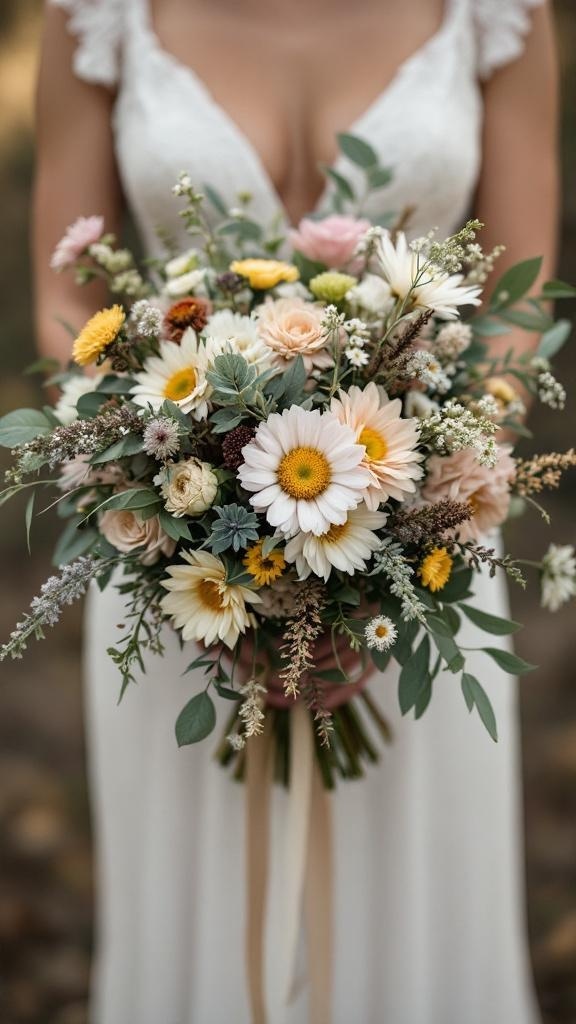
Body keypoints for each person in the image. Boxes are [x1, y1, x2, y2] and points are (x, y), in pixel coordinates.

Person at [34, 1, 558, 1021]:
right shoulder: (95, 15)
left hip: (426, 574)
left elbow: (519, 303)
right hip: (176, 577)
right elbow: (66, 305)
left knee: (417, 913)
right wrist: (177, 490)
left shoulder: (499, 13)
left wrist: (427, 489)